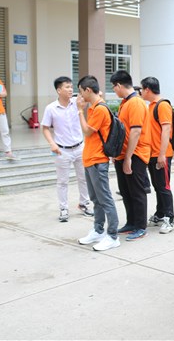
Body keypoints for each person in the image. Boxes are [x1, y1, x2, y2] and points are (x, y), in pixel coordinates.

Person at [75, 75, 120, 251]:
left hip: (97, 160)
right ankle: (98, 230)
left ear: (88, 90)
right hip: (90, 159)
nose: (80, 96)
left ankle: (113, 236)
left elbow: (87, 131)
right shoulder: (94, 107)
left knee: (105, 199)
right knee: (96, 199)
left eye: (81, 92)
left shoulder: (100, 109)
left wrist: (80, 110)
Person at [41, 76, 92, 222]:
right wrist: (52, 143)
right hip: (61, 150)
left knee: (83, 178)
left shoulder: (77, 102)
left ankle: (84, 204)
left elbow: (93, 97)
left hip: (80, 147)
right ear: (59, 90)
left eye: (71, 87)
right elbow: (45, 128)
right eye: (67, 87)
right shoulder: (51, 108)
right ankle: (63, 208)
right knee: (62, 181)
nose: (70, 90)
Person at [110, 70, 151, 241]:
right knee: (126, 191)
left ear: (119, 85)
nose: (114, 90)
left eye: (114, 87)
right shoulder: (125, 103)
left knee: (136, 191)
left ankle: (141, 226)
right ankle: (131, 222)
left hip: (135, 154)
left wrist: (128, 158)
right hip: (123, 154)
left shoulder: (136, 103)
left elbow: (135, 131)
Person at [140, 77, 174, 234]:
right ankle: (160, 213)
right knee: (158, 186)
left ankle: (170, 219)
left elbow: (166, 130)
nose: (140, 92)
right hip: (152, 153)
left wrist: (162, 154)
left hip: (162, 154)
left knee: (164, 187)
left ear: (147, 89)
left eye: (142, 89)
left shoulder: (162, 105)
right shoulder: (151, 106)